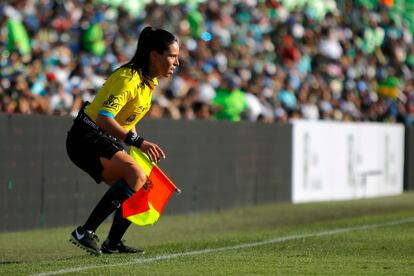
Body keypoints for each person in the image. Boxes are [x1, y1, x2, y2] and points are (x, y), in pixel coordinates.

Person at [66, 26, 180, 255]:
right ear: (154, 55)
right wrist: (138, 142)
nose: (177, 62)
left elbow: (126, 120)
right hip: (86, 136)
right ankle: (85, 231)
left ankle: (112, 243)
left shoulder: (148, 82)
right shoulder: (129, 78)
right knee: (136, 176)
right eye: (173, 56)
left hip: (101, 136)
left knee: (142, 185)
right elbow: (104, 118)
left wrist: (136, 147)